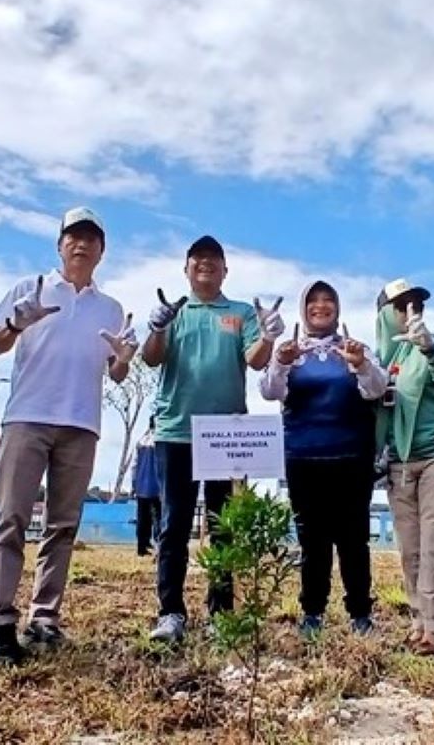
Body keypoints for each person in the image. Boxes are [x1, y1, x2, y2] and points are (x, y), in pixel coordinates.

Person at [0, 207, 135, 665]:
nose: (81, 245)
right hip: (27, 417)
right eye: (73, 236)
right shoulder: (30, 288)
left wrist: (125, 356)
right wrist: (16, 324)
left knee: (62, 526)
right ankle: (1, 620)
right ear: (59, 244)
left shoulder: (110, 308)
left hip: (81, 424)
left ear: (102, 251)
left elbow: (118, 372)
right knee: (10, 518)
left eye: (90, 238)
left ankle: (45, 617)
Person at [142, 235, 278, 645]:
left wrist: (269, 335)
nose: (205, 265)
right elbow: (150, 358)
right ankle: (170, 613)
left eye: (213, 260)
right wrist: (158, 326)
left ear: (225, 270)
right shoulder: (175, 312)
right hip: (176, 430)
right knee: (174, 524)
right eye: (197, 260)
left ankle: (221, 613)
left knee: (223, 527)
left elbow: (256, 360)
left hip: (225, 434)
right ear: (186, 269)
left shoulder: (239, 312)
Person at [261, 281, 387, 637]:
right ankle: (312, 613)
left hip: (352, 458)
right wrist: (282, 363)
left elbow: (376, 389)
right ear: (303, 309)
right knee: (312, 541)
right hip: (303, 459)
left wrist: (360, 364)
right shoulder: (290, 351)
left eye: (328, 299)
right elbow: (270, 390)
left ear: (338, 307)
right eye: (313, 301)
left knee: (353, 540)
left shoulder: (354, 347)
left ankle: (360, 614)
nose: (321, 306)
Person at [375, 278, 434, 656]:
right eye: (400, 306)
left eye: (416, 304)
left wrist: (428, 348)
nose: (410, 312)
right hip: (399, 464)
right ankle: (418, 621)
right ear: (383, 314)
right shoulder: (381, 361)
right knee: (410, 550)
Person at [131, 417, 162, 557]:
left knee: (142, 517)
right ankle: (158, 544)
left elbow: (134, 465)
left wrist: (133, 484)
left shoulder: (140, 441)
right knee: (159, 517)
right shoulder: (160, 441)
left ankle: (141, 546)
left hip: (141, 486)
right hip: (158, 486)